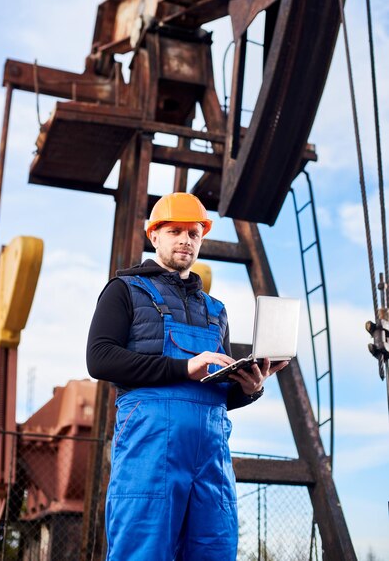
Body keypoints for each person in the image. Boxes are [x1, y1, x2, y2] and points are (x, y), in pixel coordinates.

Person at [86, 192, 288, 561]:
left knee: (214, 549)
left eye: (193, 233)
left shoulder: (216, 310)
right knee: (143, 551)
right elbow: (99, 359)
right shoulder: (125, 291)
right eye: (175, 231)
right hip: (150, 448)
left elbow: (217, 392)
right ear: (155, 236)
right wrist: (182, 368)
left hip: (211, 455)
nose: (185, 240)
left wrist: (250, 388)